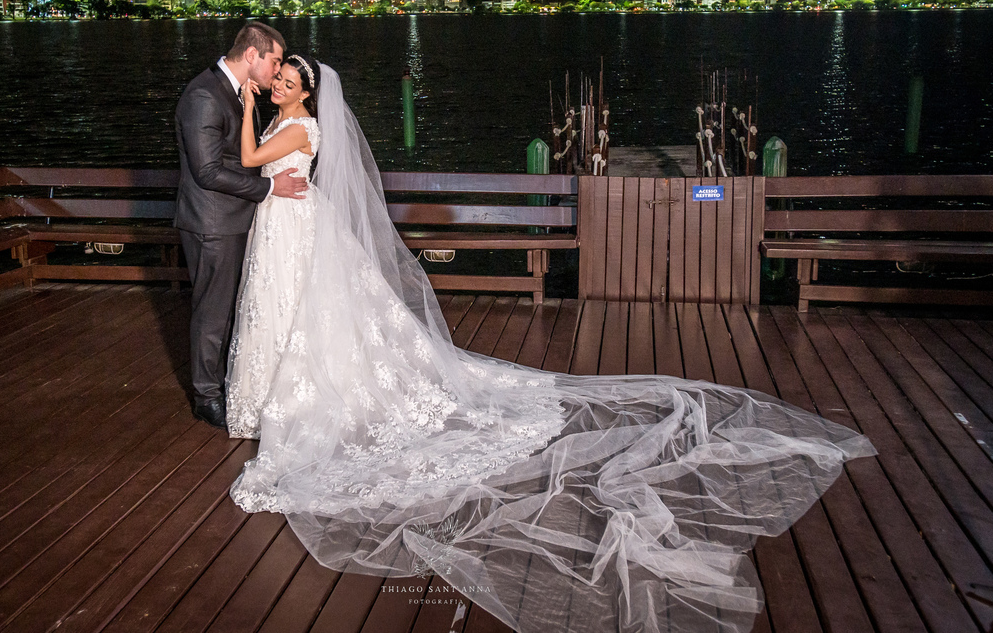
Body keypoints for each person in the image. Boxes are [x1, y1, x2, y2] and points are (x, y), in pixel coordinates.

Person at [224, 59, 876, 633]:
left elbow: (255, 160)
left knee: (307, 315)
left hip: (297, 222)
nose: (278, 84)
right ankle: (284, 388)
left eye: (286, 79)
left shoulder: (289, 122)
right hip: (298, 223)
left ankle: (294, 393)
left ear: (306, 90)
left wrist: (250, 108)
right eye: (277, 78)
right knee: (301, 314)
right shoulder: (306, 123)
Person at [173, 23, 307, 429]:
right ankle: (206, 397)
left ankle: (222, 384)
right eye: (275, 61)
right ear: (252, 56)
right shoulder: (203, 96)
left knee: (228, 309)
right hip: (211, 223)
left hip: (232, 219)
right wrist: (269, 186)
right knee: (212, 312)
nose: (276, 70)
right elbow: (209, 171)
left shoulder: (232, 92)